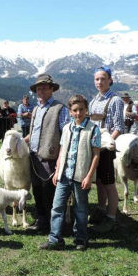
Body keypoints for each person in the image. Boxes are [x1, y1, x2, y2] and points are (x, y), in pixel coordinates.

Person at [40, 95, 101, 251]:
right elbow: (62, 150)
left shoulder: (93, 129)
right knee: (57, 207)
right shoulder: (67, 128)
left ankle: (80, 238)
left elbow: (96, 154)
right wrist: (57, 170)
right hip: (63, 175)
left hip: (81, 176)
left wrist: (89, 176)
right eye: (75, 110)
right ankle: (55, 239)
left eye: (81, 109)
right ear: (70, 111)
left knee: (80, 209)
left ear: (86, 110)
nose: (78, 113)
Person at [24, 74, 70, 234]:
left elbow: (66, 135)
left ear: (52, 89)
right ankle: (42, 220)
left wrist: (60, 158)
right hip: (34, 156)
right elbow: (35, 131)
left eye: (44, 88)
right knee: (37, 190)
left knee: (49, 192)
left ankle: (55, 224)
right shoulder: (36, 108)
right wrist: (23, 140)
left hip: (50, 157)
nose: (41, 91)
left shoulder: (60, 109)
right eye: (38, 88)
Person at [88, 66, 124, 233]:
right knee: (99, 182)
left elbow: (118, 127)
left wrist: (107, 142)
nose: (100, 82)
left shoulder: (115, 100)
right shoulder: (94, 101)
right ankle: (101, 209)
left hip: (106, 148)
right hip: (93, 148)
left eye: (103, 79)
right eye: (97, 79)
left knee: (109, 183)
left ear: (110, 80)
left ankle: (111, 217)